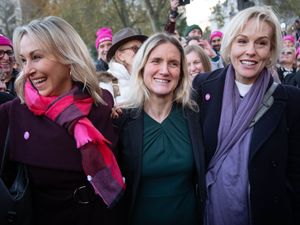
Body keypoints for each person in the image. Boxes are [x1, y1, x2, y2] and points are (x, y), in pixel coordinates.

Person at [0, 16, 125, 225]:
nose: (27, 70)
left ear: (67, 56)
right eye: (23, 60)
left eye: (36, 57)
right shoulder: (12, 115)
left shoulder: (103, 104)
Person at [192, 6, 300, 225]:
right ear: (230, 45)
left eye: (261, 43)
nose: (250, 51)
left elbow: (296, 170)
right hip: (210, 210)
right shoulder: (203, 87)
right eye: (242, 41)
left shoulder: (290, 100)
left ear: (270, 50)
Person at [115, 33, 206, 225]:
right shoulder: (122, 120)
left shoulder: (195, 116)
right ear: (142, 67)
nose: (164, 70)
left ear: (181, 71)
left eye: (173, 63)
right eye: (156, 61)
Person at [101, 27, 147, 105]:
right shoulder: (109, 80)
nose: (141, 52)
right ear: (120, 56)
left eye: (142, 48)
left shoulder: (148, 74)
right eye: (135, 48)